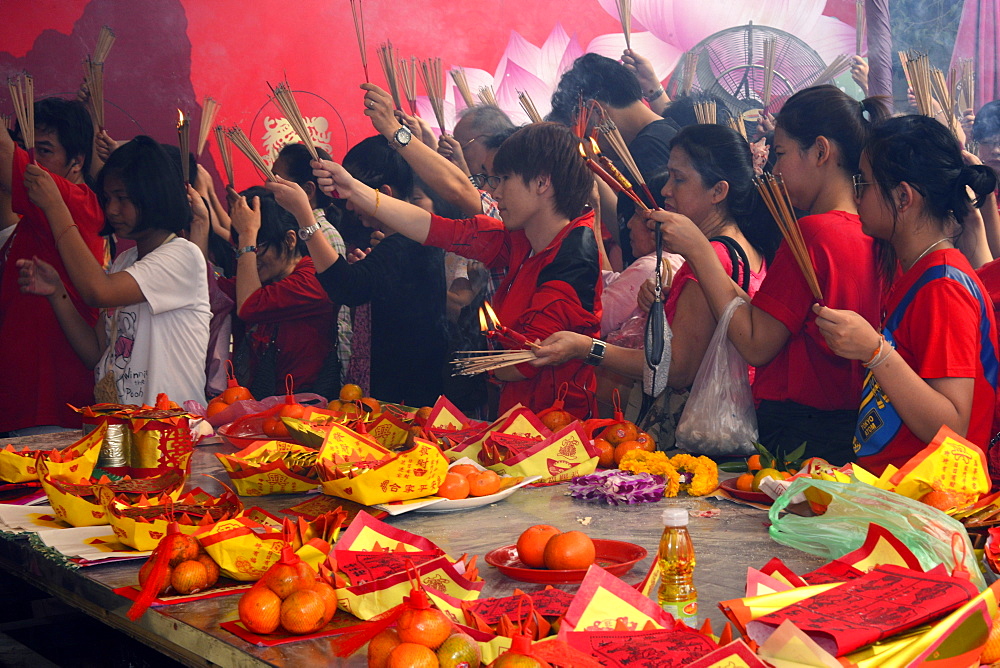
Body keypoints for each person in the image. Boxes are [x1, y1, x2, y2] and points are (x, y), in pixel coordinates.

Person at [650, 85, 890, 465]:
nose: (774, 171)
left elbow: (756, 343)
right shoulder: (867, 228)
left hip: (798, 430)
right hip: (849, 425)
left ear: (821, 152)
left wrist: (698, 249)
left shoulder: (815, 232)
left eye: (780, 154)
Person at [313, 122, 602, 418]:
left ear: (542, 183)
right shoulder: (521, 240)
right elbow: (434, 228)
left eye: (503, 179)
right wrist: (354, 189)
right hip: (515, 417)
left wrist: (487, 358)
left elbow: (523, 363)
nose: (494, 191)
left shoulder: (573, 256)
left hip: (558, 427)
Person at [532, 125, 778, 433]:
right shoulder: (745, 244)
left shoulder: (710, 257)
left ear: (719, 191)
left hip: (697, 429)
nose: (665, 191)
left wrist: (586, 348)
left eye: (679, 179)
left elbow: (676, 371)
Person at [812, 115, 999, 474]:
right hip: (905, 494)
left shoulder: (943, 286)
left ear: (902, 197)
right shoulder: (921, 273)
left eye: (863, 183)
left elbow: (951, 426)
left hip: (932, 506)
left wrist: (875, 352)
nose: (855, 195)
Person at [16, 136, 210, 406]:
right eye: (107, 198)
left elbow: (98, 292)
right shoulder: (125, 262)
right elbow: (95, 352)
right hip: (122, 427)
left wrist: (55, 206)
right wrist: (58, 293)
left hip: (169, 430)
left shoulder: (182, 256)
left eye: (123, 198)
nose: (112, 209)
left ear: (154, 197)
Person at [267, 135, 449, 408]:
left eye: (353, 195)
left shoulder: (407, 242)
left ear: (384, 195)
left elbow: (347, 287)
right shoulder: (398, 241)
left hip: (408, 400)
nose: (349, 206)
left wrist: (305, 216)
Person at [0, 98, 106, 434]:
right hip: (23, 401)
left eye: (44, 151)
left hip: (50, 406)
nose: (33, 162)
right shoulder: (33, 216)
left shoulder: (73, 200)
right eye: (27, 149)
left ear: (77, 161)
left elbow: (3, 156)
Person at [549, 53, 680, 266]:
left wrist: (588, 164)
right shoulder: (662, 134)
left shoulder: (649, 149)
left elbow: (644, 243)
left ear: (595, 111)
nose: (586, 140)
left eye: (582, 129)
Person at [219, 188, 337, 398]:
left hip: (304, 410)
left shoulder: (313, 279)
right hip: (258, 407)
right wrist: (199, 224)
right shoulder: (262, 281)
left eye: (258, 246)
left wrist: (247, 237)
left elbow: (249, 307)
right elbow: (212, 291)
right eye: (242, 248)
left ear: (290, 240)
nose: (250, 259)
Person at [272, 142, 352, 383]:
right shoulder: (290, 229)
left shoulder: (325, 235)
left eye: (277, 180)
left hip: (316, 362)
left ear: (307, 190)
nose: (270, 187)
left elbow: (335, 312)